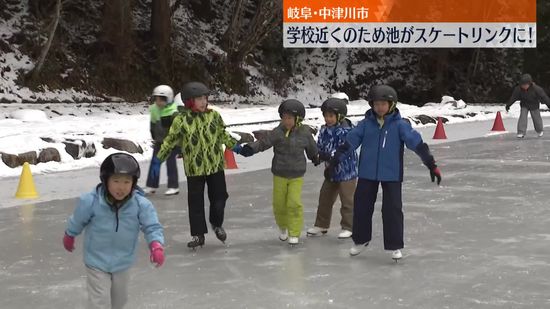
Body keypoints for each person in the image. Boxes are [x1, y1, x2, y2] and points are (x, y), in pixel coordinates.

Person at [331, 85, 441, 261]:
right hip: (367, 173)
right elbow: (349, 143)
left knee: (392, 210)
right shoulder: (366, 125)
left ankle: (395, 244)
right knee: (362, 207)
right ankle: (361, 240)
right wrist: (336, 159)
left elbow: (417, 144)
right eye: (376, 104)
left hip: (392, 174)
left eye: (383, 104)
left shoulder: (400, 126)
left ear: (391, 104)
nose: (379, 107)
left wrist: (431, 164)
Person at [63, 153, 165, 309]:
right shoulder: (91, 201)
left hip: (123, 262)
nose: (121, 187)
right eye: (116, 181)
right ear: (106, 181)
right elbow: (78, 219)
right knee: (100, 302)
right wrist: (70, 234)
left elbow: (152, 226)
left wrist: (156, 245)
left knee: (120, 302)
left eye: (126, 181)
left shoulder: (140, 204)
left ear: (133, 183)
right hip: (96, 261)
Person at [156, 81, 239, 249]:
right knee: (195, 203)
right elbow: (170, 140)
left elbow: (223, 134)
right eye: (198, 99)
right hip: (194, 168)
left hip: (215, 165)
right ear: (189, 102)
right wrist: (159, 159)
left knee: (220, 197)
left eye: (204, 98)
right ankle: (198, 235)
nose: (203, 102)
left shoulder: (214, 116)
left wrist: (237, 146)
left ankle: (216, 223)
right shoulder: (181, 120)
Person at [236, 99, 319, 245]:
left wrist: (315, 157)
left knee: (294, 203)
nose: (286, 121)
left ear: (298, 119)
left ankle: (294, 232)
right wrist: (250, 148)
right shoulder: (278, 132)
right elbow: (263, 143)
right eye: (284, 117)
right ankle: (283, 227)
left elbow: (311, 148)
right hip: (279, 173)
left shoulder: (305, 133)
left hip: (296, 175)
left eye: (289, 118)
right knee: (279, 204)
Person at [307, 97, 358, 239]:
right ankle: (321, 224)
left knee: (347, 200)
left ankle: (349, 226)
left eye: (331, 116)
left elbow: (342, 151)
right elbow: (320, 146)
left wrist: (327, 156)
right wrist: (317, 155)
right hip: (330, 171)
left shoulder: (346, 131)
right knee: (325, 198)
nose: (328, 119)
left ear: (340, 116)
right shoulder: (324, 130)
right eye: (326, 116)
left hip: (346, 172)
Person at [145, 85, 180, 195]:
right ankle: (151, 185)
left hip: (171, 143)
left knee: (170, 164)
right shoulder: (154, 109)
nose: (158, 102)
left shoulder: (173, 112)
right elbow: (153, 124)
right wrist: (154, 136)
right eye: (157, 99)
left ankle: (174, 186)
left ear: (168, 99)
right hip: (160, 141)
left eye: (161, 99)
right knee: (155, 163)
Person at [505, 73, 550, 138]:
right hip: (524, 105)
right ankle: (521, 132)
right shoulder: (518, 89)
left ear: (529, 83)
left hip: (534, 105)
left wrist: (549, 104)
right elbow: (513, 97)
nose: (524, 86)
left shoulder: (536, 89)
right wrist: (508, 105)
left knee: (536, 118)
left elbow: (544, 97)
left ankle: (539, 130)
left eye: (526, 85)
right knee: (522, 117)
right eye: (522, 85)